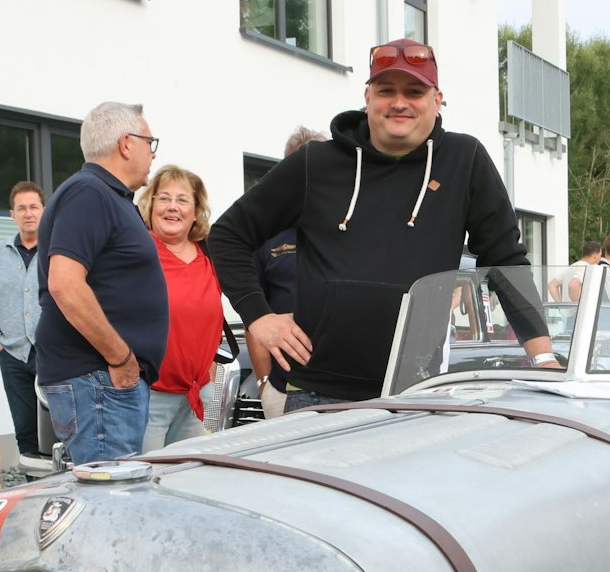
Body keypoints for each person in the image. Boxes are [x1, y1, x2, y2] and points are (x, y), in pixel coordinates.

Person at [210, 37, 552, 410]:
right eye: (386, 90)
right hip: (317, 393)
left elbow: (505, 260)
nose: (399, 102)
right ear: (368, 97)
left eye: (414, 92)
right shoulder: (316, 163)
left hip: (417, 392)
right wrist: (258, 316)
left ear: (437, 100)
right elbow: (228, 235)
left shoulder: (464, 160)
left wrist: (543, 357)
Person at [34, 101, 165, 464]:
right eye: (149, 143)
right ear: (126, 143)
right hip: (100, 380)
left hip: (103, 381)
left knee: (114, 490)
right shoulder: (90, 192)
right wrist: (122, 359)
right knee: (109, 493)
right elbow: (65, 284)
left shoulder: (106, 195)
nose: (153, 154)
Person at [138, 165, 224, 450]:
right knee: (147, 473)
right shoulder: (137, 251)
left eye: (182, 200)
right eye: (164, 198)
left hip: (196, 395)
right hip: (149, 396)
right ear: (151, 205)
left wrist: (209, 365)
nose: (172, 207)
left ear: (196, 211)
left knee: (188, 472)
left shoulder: (209, 253)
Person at [251, 126, 328, 419]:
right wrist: (264, 384)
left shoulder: (350, 230)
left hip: (345, 389)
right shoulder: (267, 236)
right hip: (285, 388)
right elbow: (253, 315)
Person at [0, 181, 48, 471]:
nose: (28, 213)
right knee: (24, 428)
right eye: (21, 208)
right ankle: (32, 488)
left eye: (33, 207)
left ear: (44, 210)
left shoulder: (55, 250)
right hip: (13, 355)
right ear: (12, 214)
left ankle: (59, 485)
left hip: (52, 354)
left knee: (60, 426)